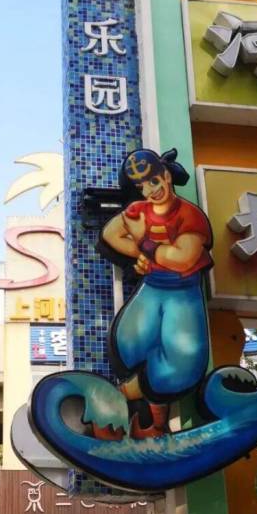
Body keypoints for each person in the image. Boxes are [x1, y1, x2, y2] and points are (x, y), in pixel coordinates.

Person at [100, 148, 213, 438]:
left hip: (183, 293)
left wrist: (144, 243)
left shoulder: (189, 215)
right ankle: (151, 423)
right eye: (142, 187)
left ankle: (125, 404)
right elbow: (110, 234)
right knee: (132, 343)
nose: (151, 190)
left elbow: (183, 258)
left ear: (166, 175)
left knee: (180, 361)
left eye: (153, 181)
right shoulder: (140, 211)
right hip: (152, 287)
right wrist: (141, 255)